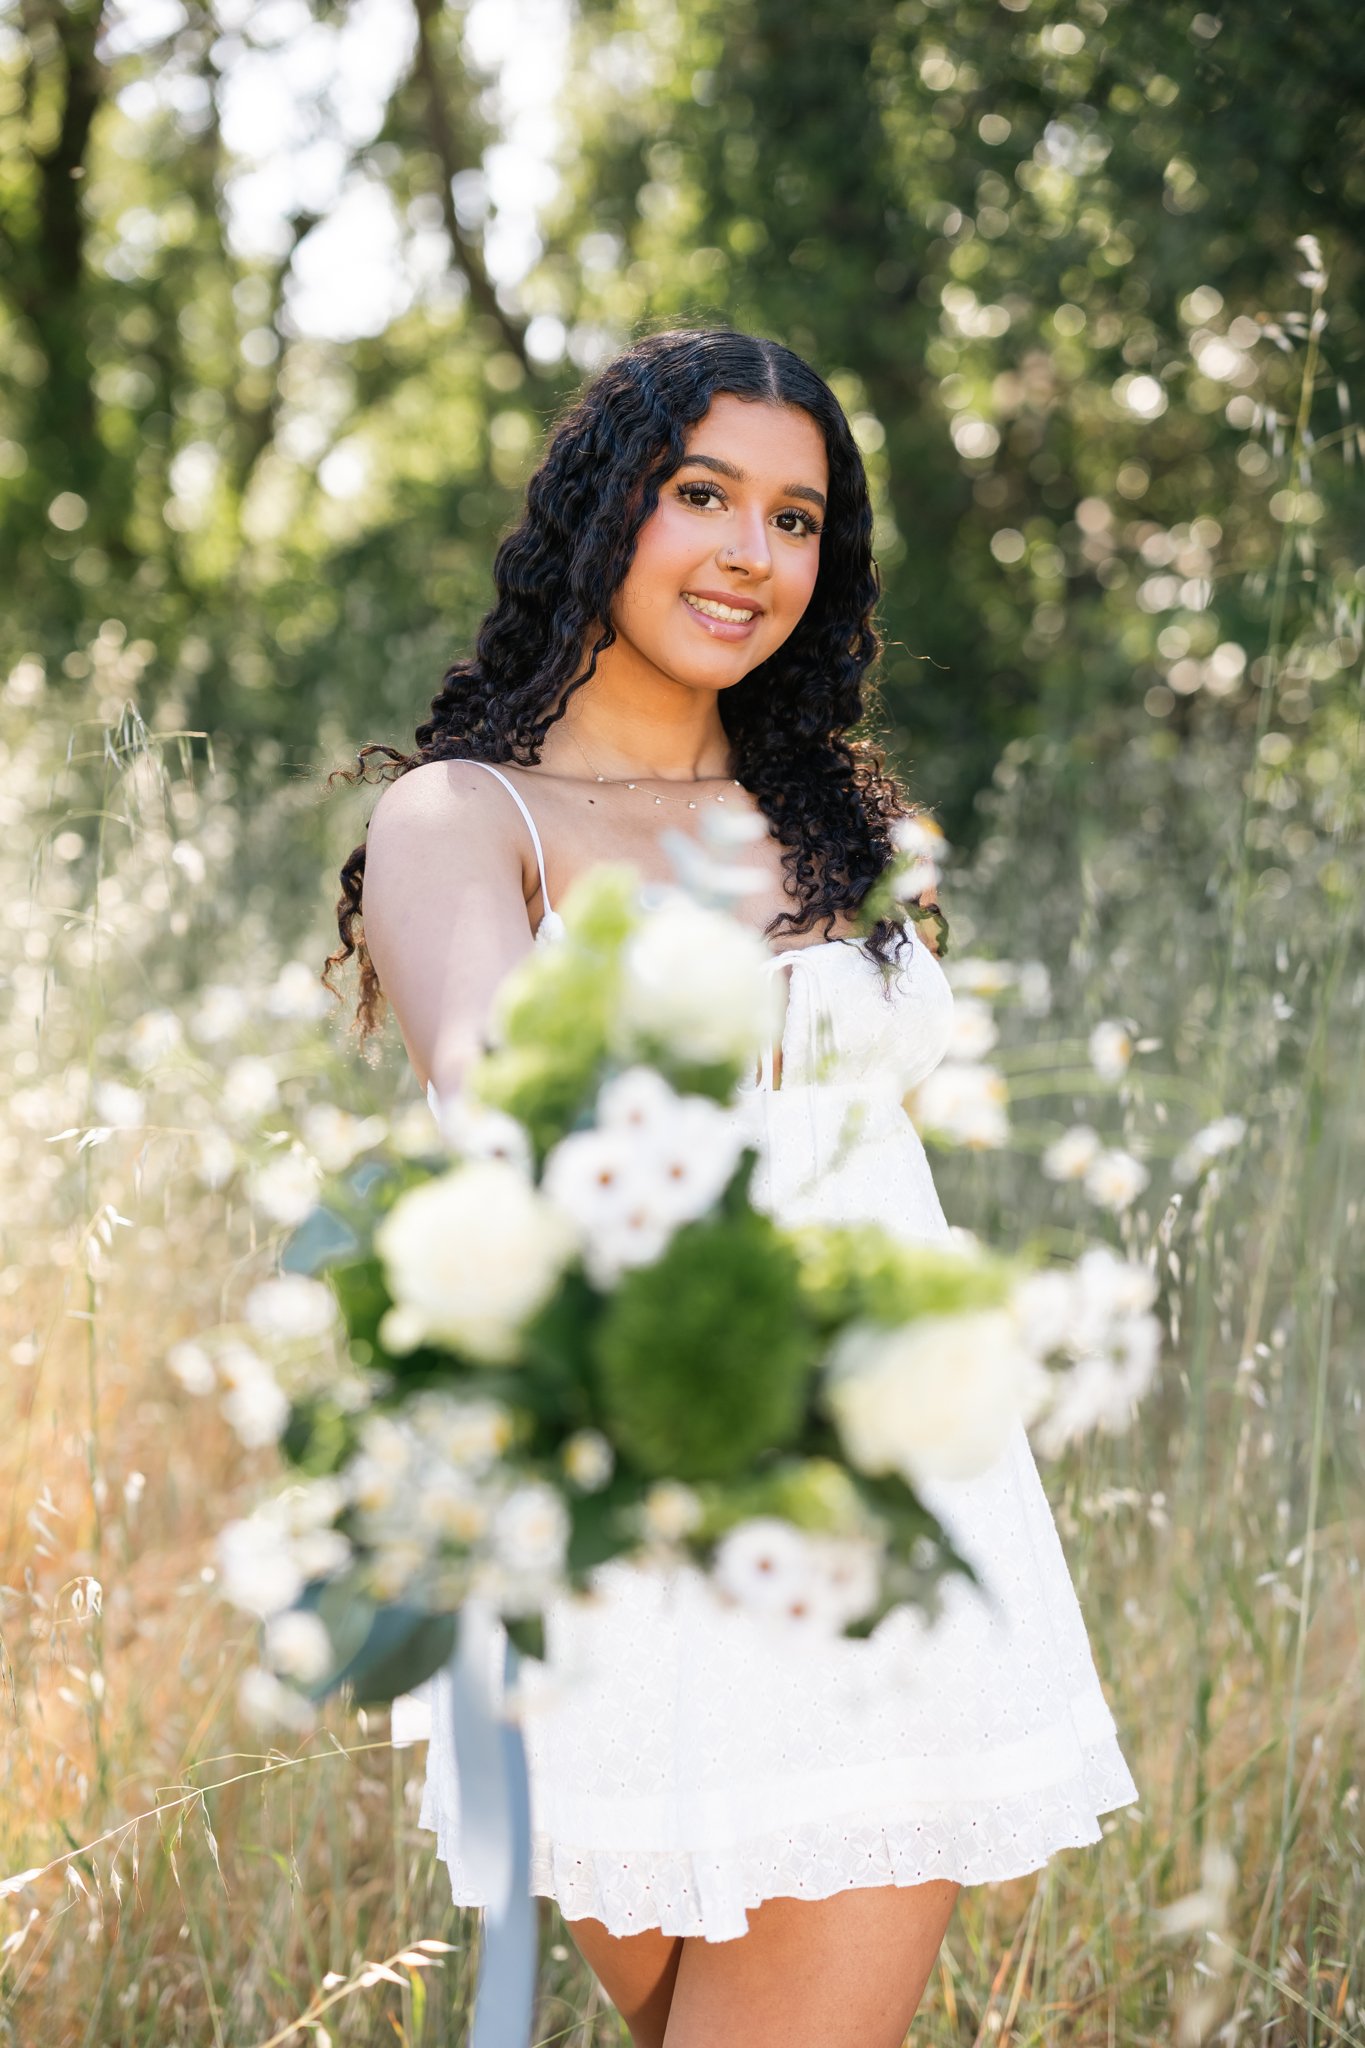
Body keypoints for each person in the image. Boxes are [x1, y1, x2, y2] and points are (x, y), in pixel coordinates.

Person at [327, 329, 1137, 2048]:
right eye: (701, 494)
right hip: (624, 1521)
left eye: (794, 518)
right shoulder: (468, 819)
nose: (749, 553)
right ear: (603, 508)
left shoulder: (831, 823)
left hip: (880, 1504)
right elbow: (504, 1118)